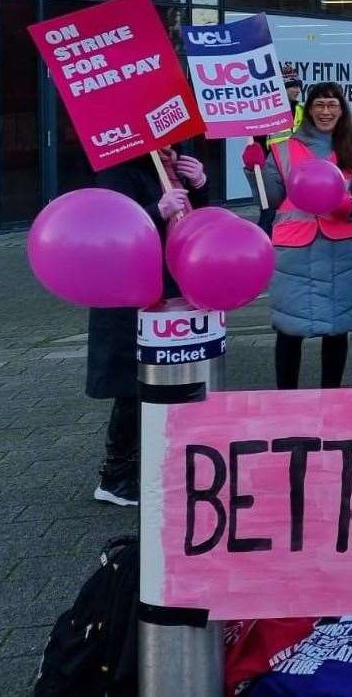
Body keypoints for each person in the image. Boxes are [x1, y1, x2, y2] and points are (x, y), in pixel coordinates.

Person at [86, 146, 208, 506]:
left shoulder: (175, 162)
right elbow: (111, 225)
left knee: (166, 377)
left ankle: (153, 463)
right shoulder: (117, 164)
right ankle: (116, 476)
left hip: (172, 284)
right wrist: (156, 210)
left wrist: (200, 184)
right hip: (133, 289)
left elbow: (193, 220)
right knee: (133, 382)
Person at [254, 82, 352, 388]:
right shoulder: (283, 149)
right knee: (288, 330)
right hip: (294, 250)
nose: (325, 111)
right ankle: (287, 398)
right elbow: (270, 198)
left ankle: (332, 397)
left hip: (340, 250)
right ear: (308, 110)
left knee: (337, 330)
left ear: (342, 110)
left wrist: (346, 204)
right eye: (319, 105)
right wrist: (254, 170)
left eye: (332, 105)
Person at [252, 69, 304, 233]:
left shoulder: (303, 110)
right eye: (292, 87)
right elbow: (258, 139)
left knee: (295, 210)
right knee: (269, 210)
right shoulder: (270, 112)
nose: (297, 90)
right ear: (282, 88)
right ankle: (264, 242)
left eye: (298, 87)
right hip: (273, 168)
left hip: (297, 168)